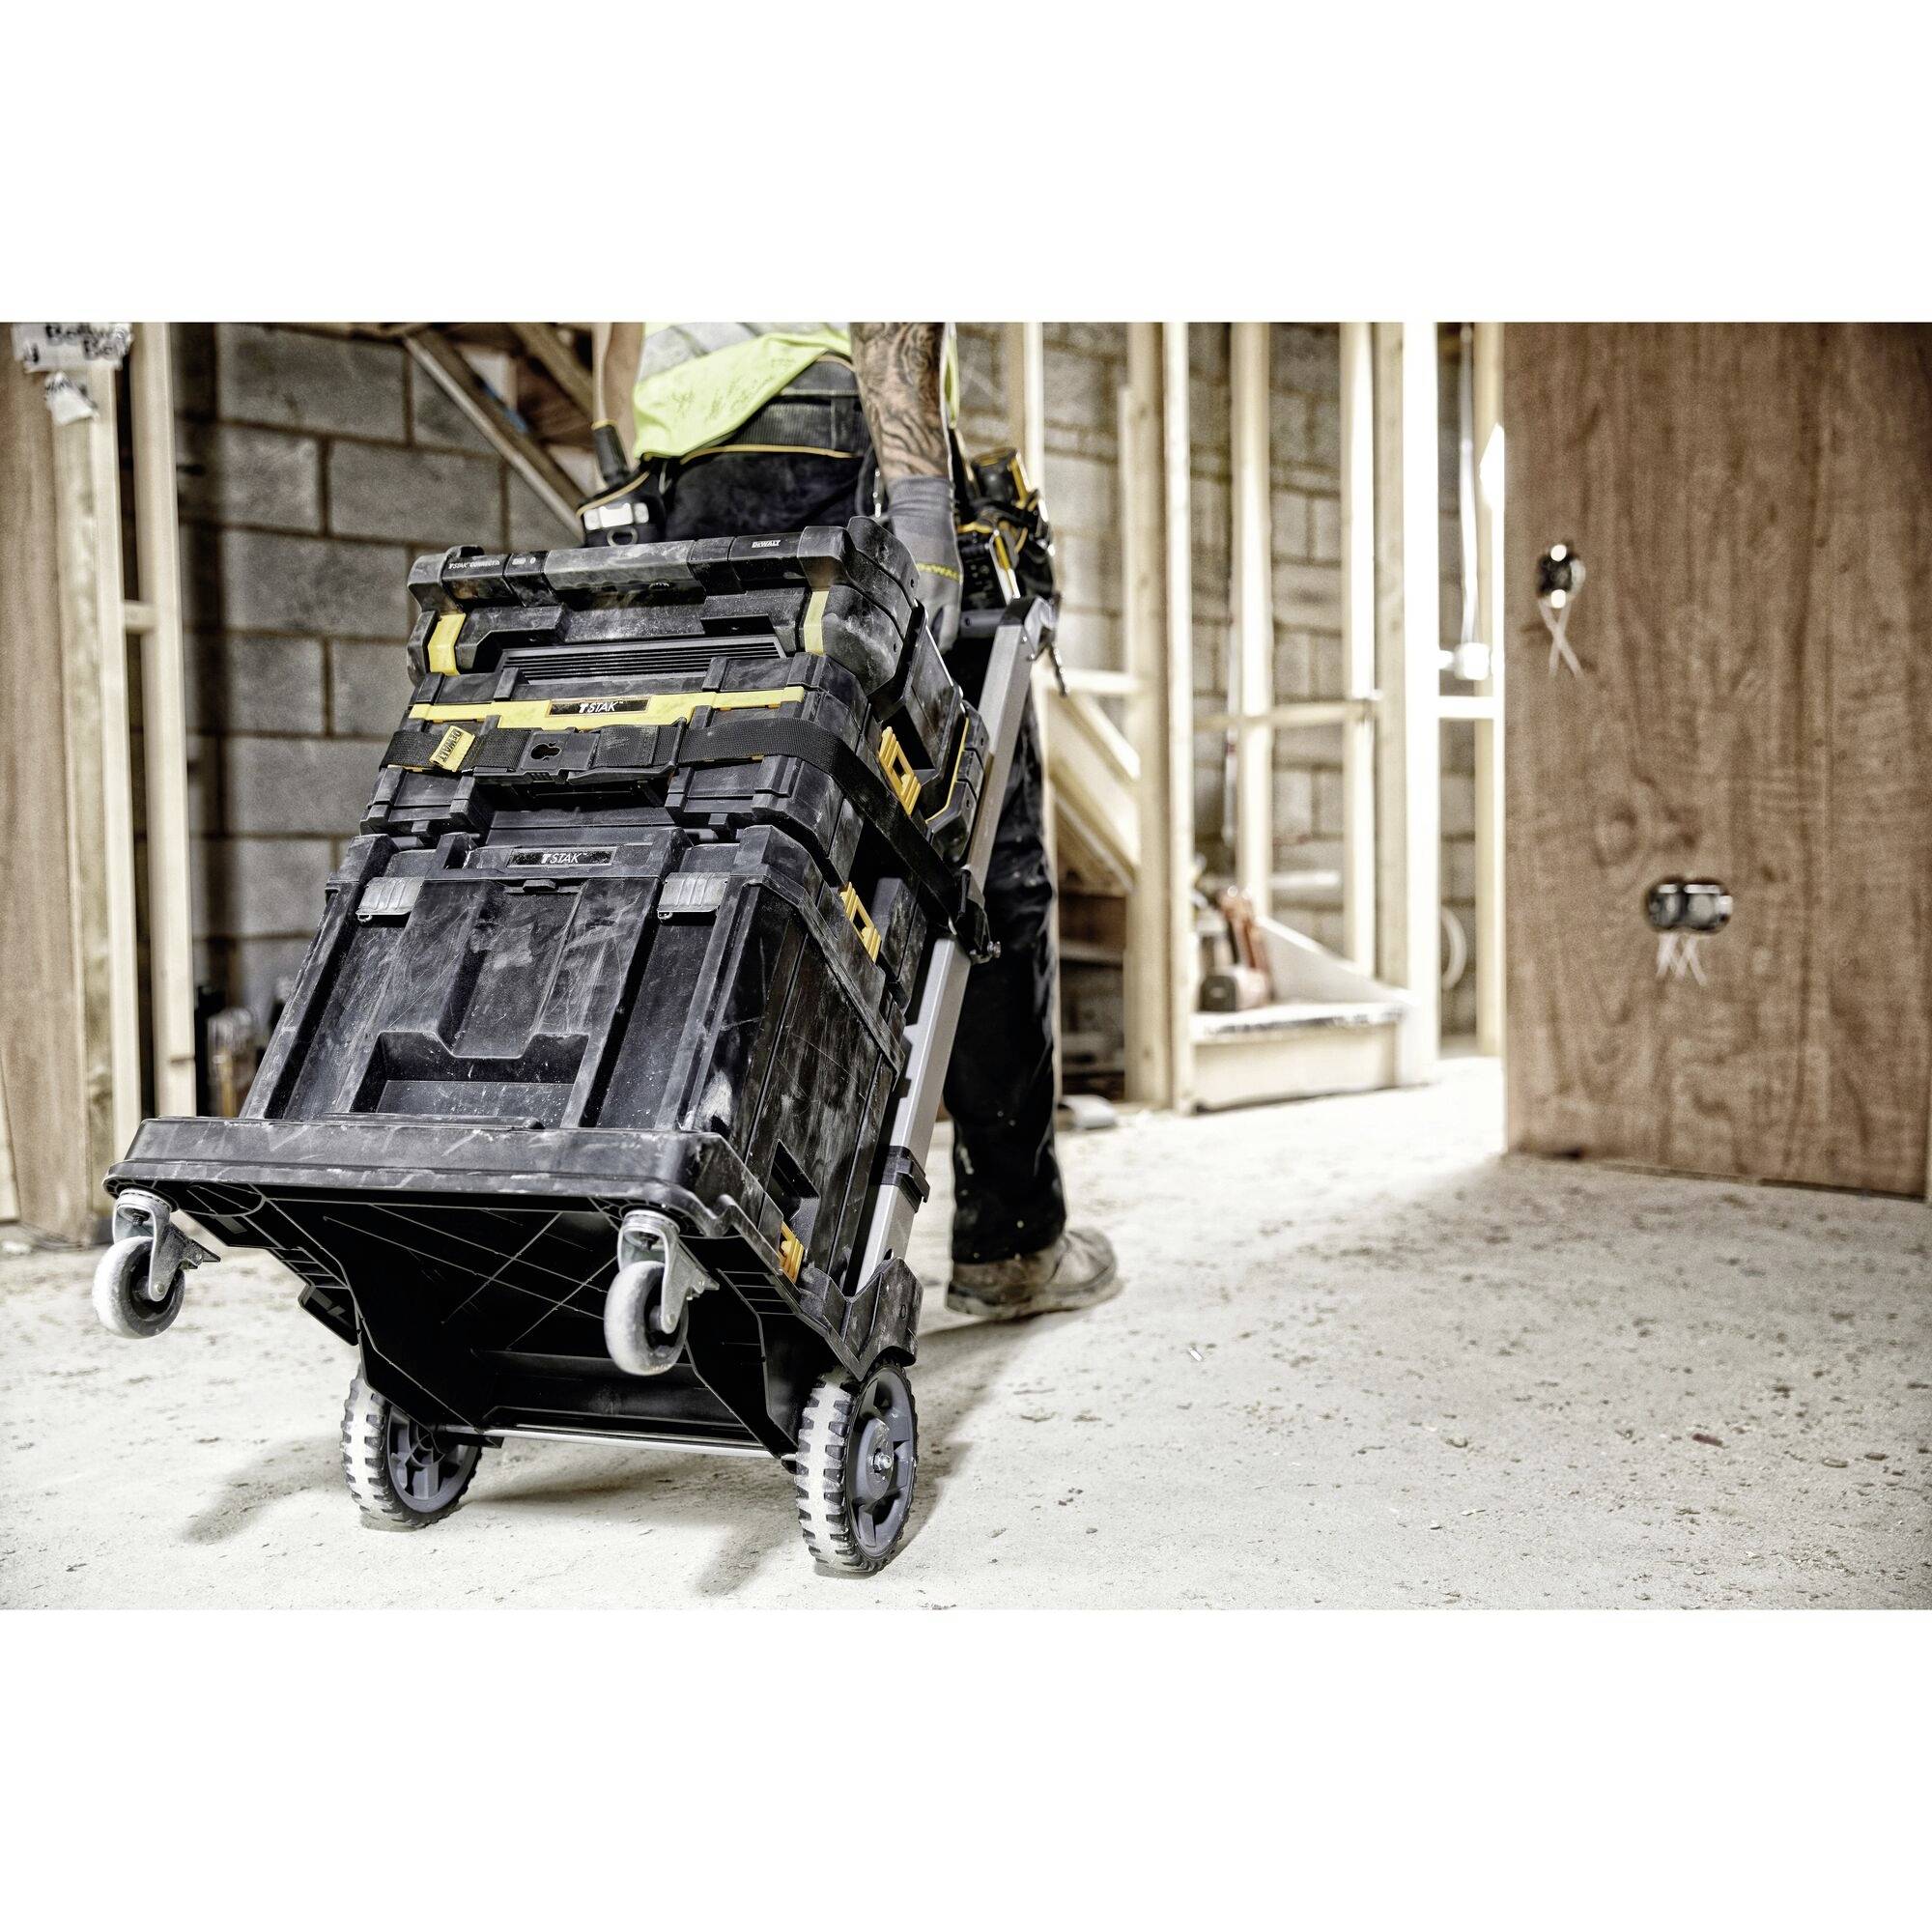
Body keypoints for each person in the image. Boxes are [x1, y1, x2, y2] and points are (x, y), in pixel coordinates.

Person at [584, 322, 1116, 1321]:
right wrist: (921, 512)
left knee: (734, 845)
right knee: (976, 846)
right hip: (836, 450)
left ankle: (734, 1228)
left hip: (684, 484)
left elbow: (617, 335)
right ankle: (1010, 1241)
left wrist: (627, 487)